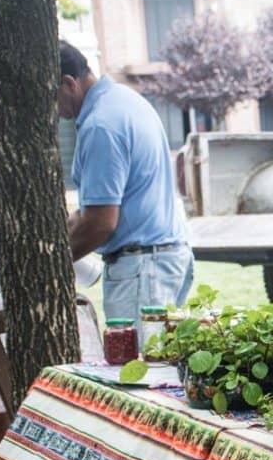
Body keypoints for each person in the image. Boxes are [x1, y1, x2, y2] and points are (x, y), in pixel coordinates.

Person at [57, 40, 193, 328]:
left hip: (143, 270)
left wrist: (50, 266)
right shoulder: (122, 100)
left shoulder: (100, 125)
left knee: (138, 371)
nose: (53, 111)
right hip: (162, 261)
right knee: (160, 367)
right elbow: (92, 209)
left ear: (69, 83)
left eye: (50, 97)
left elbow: (100, 222)